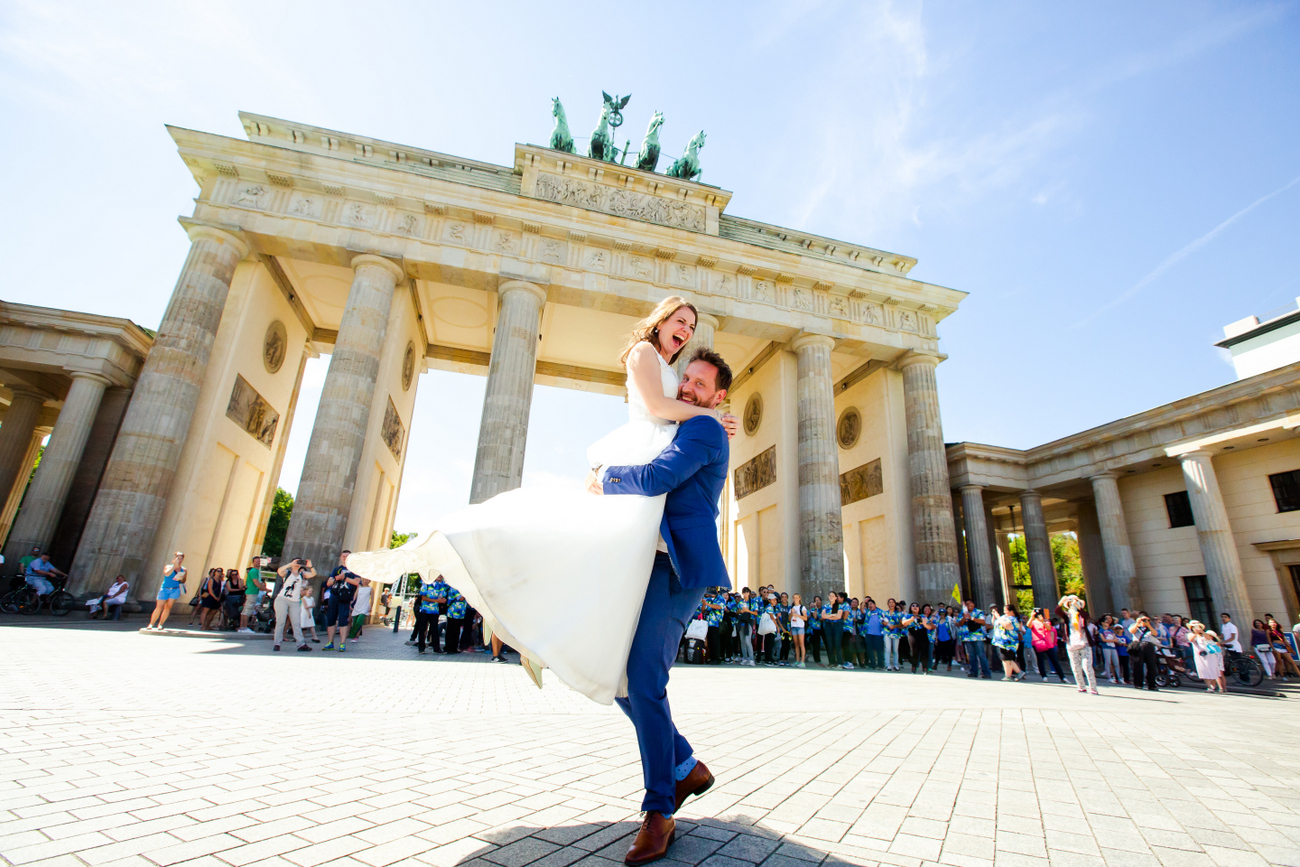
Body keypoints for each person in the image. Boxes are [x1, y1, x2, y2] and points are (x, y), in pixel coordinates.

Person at [345, 298, 738, 704]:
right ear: (661, 321)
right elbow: (658, 407)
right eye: (680, 321)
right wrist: (710, 417)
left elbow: (682, 411)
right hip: (641, 456)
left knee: (610, 565)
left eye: (691, 326)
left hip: (657, 455)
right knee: (580, 541)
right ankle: (521, 622)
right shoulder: (643, 353)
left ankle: (548, 642)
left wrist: (711, 416)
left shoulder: (674, 371)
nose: (686, 330)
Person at [587, 346, 733, 865]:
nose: (689, 388)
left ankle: (659, 811)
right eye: (686, 379)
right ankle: (685, 765)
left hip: (677, 568)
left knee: (645, 680)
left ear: (718, 397)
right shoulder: (675, 424)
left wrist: (604, 477)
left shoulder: (705, 430)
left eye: (700, 385)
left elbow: (655, 479)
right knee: (618, 675)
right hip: (643, 563)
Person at [272, 558, 314, 652]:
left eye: (299, 562)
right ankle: (277, 643)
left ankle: (301, 644)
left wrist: (310, 566)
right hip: (282, 599)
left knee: (296, 623)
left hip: (294, 601)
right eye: (296, 561)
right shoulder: (287, 573)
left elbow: (313, 574)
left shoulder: (302, 574)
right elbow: (279, 571)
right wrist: (290, 564)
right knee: (280, 622)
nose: (297, 564)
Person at [323, 551, 360, 652]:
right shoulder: (336, 569)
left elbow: (356, 582)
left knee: (343, 620)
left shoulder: (354, 570)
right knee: (331, 619)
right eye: (343, 556)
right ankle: (330, 642)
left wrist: (345, 578)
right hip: (334, 596)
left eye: (347, 556)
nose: (344, 558)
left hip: (345, 597)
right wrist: (337, 579)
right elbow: (329, 583)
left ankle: (342, 643)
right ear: (340, 557)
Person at [1060, 596, 1098, 694]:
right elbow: (1057, 610)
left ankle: (1093, 688)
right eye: (1071, 603)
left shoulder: (1082, 615)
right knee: (1075, 666)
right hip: (1072, 643)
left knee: (1087, 666)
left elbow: (1085, 615)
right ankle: (1081, 686)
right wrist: (1062, 601)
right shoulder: (1066, 615)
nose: (1072, 605)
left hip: (1084, 642)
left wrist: (1078, 605)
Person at [146, 553, 187, 630]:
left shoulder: (183, 569)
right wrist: (174, 566)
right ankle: (151, 624)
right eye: (178, 558)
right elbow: (167, 574)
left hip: (175, 589)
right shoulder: (168, 567)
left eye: (181, 558)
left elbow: (184, 580)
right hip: (165, 589)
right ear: (174, 559)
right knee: (159, 607)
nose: (180, 560)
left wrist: (181, 577)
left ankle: (161, 624)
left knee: (168, 607)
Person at [1189, 620, 1226, 692]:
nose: (1196, 628)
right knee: (1203, 670)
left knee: (1212, 669)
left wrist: (1202, 632)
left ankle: (1213, 685)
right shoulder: (1191, 634)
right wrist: (1195, 633)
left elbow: (1209, 638)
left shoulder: (1204, 634)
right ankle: (1209, 687)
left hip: (1209, 654)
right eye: (1194, 627)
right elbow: (1191, 639)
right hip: (1199, 654)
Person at [958, 600, 991, 679]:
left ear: (974, 604)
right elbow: (960, 623)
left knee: (981, 655)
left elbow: (983, 622)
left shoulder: (979, 612)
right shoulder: (962, 612)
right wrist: (964, 617)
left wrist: (971, 618)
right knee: (971, 655)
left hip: (977, 636)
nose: (969, 605)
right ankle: (973, 672)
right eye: (967, 604)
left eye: (970, 604)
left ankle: (986, 673)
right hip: (967, 637)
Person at [1128, 614, 1161, 691]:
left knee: (1151, 665)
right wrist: (1138, 623)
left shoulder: (1150, 626)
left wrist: (1148, 625)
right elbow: (1132, 631)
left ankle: (1152, 684)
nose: (1144, 621)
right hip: (1138, 646)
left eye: (1146, 620)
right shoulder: (1134, 625)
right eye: (1143, 620)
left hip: (1148, 645)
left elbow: (1155, 634)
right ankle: (1138, 684)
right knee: (1137, 666)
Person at [991, 605, 1024, 682]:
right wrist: (994, 616)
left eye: (1006, 610)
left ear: (1011, 611)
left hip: (1009, 642)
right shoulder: (1003, 617)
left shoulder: (1013, 619)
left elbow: (1007, 626)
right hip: (1001, 641)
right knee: (1006, 658)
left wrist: (998, 617)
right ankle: (1019, 672)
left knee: (1006, 659)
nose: (1004, 612)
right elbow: (994, 623)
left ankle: (1008, 675)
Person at [240, 557, 268, 633]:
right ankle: (244, 627)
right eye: (256, 561)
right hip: (252, 592)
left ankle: (242, 627)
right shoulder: (253, 571)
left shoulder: (256, 571)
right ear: (253, 562)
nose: (258, 563)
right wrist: (265, 589)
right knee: (248, 610)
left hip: (252, 592)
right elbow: (256, 582)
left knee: (246, 610)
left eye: (259, 561)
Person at [702, 588, 726, 665]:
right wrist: (703, 604)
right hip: (709, 623)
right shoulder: (708, 599)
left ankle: (717, 658)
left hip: (717, 623)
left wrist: (707, 604)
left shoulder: (720, 598)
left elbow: (719, 607)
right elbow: (703, 610)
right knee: (710, 641)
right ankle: (712, 658)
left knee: (716, 641)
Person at [821, 594, 844, 668]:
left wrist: (828, 616)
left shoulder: (839, 606)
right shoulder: (825, 606)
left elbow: (838, 616)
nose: (831, 597)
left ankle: (839, 662)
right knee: (829, 644)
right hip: (828, 626)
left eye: (833, 596)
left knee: (837, 644)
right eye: (830, 596)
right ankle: (831, 662)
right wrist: (833, 615)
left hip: (837, 625)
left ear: (836, 598)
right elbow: (823, 616)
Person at [1098, 615, 1123, 683]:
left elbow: (1116, 639)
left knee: (1116, 663)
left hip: (1113, 647)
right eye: (1106, 622)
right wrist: (1112, 640)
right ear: (1102, 623)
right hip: (1106, 647)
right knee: (1108, 662)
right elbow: (1103, 639)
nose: (1107, 624)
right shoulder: (1101, 630)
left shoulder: (1111, 630)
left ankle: (1119, 677)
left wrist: (1111, 640)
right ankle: (1109, 677)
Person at [347, 578, 372, 643]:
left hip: (364, 607)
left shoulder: (371, 589)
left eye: (367, 580)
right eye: (364, 579)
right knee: (354, 621)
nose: (366, 581)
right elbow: (355, 597)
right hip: (357, 606)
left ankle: (354, 635)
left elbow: (372, 599)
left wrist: (370, 607)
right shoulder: (359, 588)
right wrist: (351, 604)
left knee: (359, 621)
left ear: (369, 581)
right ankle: (354, 636)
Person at [788, 594, 808, 668]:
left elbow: (805, 618)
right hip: (794, 626)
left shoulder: (802, 607)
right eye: (794, 598)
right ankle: (797, 660)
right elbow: (789, 619)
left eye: (797, 598)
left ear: (799, 598)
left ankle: (802, 661)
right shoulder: (792, 608)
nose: (795, 599)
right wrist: (791, 613)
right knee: (796, 644)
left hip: (800, 627)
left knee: (801, 644)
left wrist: (797, 615)